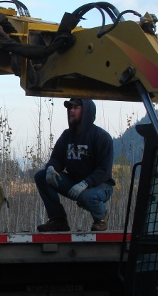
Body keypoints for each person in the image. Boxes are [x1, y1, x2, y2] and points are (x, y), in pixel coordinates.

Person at [35, 98, 115, 232]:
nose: (71, 111)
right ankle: (58, 220)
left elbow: (104, 170)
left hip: (101, 185)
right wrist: (51, 168)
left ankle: (100, 219)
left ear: (87, 111)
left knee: (87, 197)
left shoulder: (101, 137)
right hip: (73, 182)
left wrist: (85, 184)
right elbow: (56, 158)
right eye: (70, 108)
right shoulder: (67, 135)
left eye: (76, 107)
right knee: (41, 176)